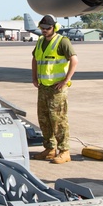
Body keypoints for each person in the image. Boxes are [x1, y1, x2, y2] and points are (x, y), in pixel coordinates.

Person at [30, 14, 78, 164]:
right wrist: (34, 77)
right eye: (42, 28)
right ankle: (50, 149)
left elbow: (74, 60)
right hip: (43, 87)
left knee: (58, 120)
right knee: (44, 119)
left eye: (47, 28)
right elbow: (35, 59)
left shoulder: (62, 42)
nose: (44, 30)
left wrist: (66, 80)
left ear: (54, 28)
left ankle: (64, 151)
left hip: (57, 89)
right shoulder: (40, 42)